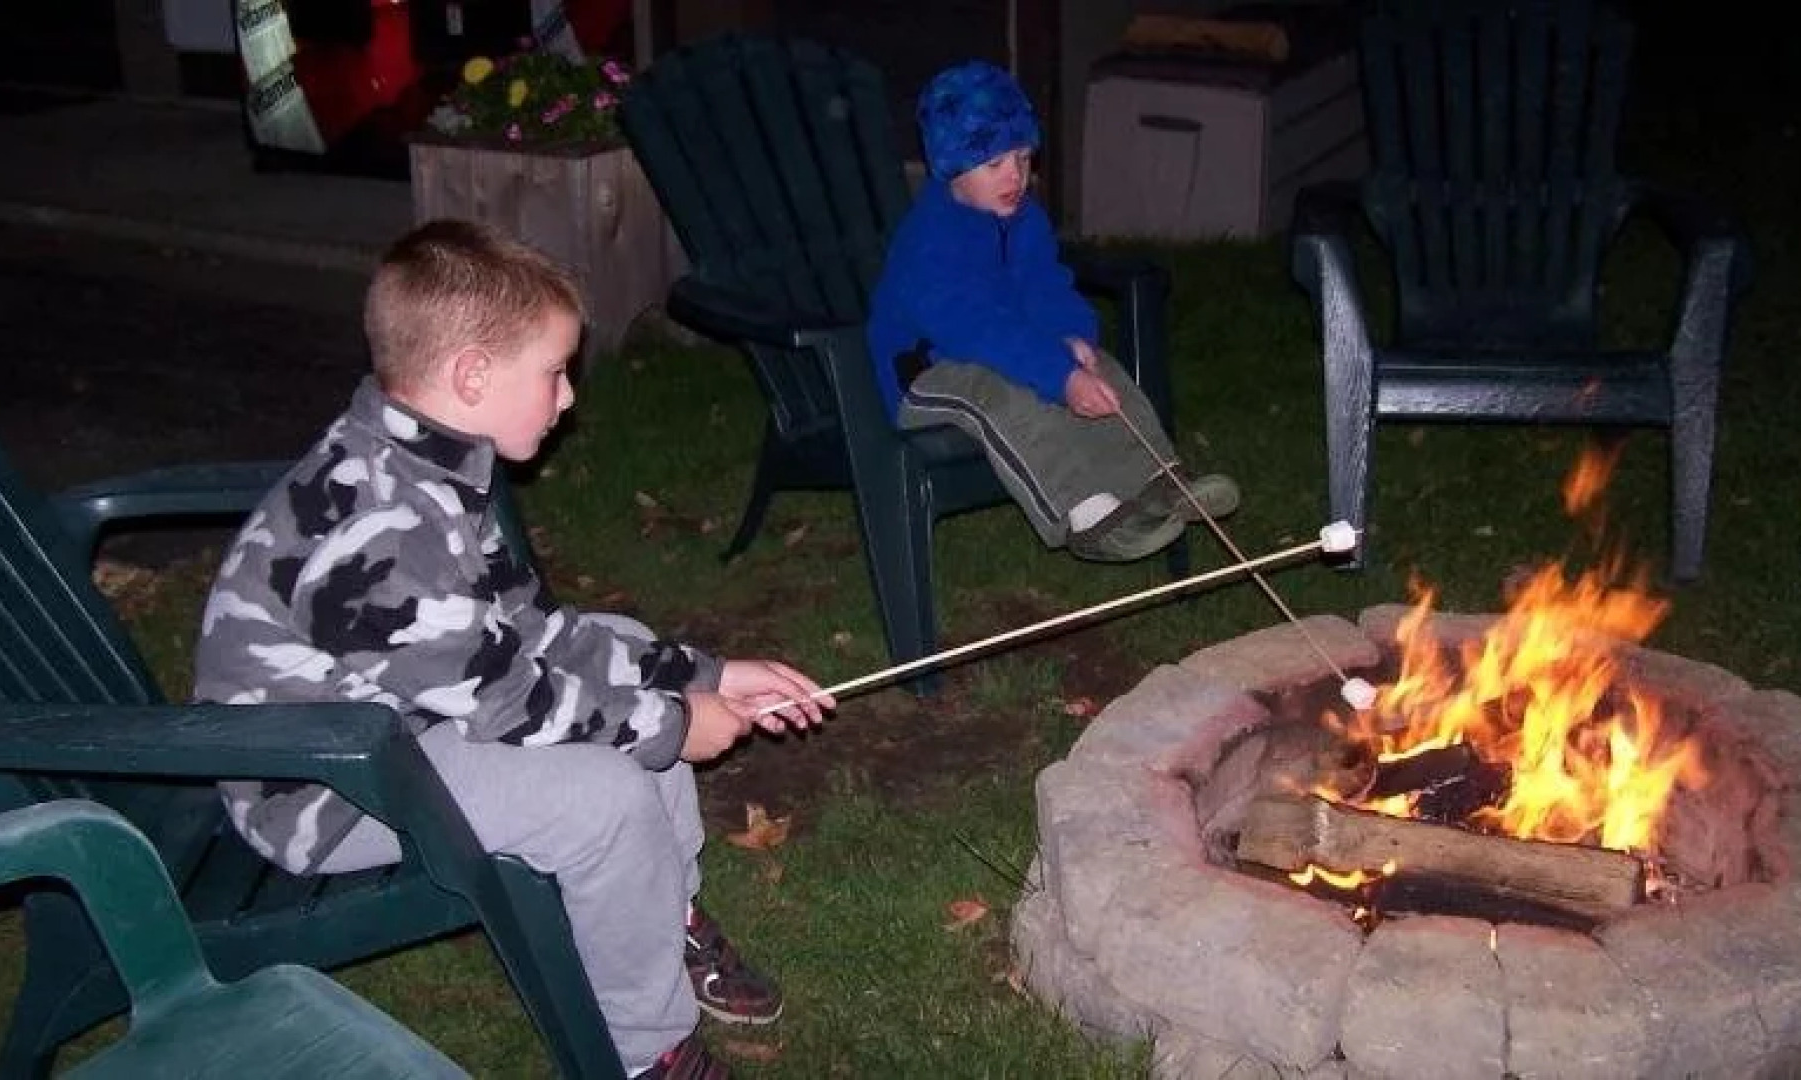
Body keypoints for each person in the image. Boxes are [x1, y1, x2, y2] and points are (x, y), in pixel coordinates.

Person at [192, 218, 828, 1080]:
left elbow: (530, 631)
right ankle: (647, 1053)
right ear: (471, 376)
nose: (568, 397)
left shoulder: (430, 467)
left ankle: (659, 917)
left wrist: (706, 674)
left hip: (405, 718)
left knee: (626, 645)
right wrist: (675, 725)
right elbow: (511, 697)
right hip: (325, 786)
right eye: (554, 372)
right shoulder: (383, 533)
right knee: (600, 793)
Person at [867, 59, 1239, 563]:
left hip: (1000, 348)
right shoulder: (930, 243)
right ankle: (1086, 516)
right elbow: (979, 331)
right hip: (927, 371)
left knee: (1095, 365)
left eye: (1022, 158)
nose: (1015, 176)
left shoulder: (1023, 220)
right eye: (995, 163)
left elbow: (1044, 286)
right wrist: (1056, 376)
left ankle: (1159, 481)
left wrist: (1068, 336)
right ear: (952, 167)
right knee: (1003, 393)